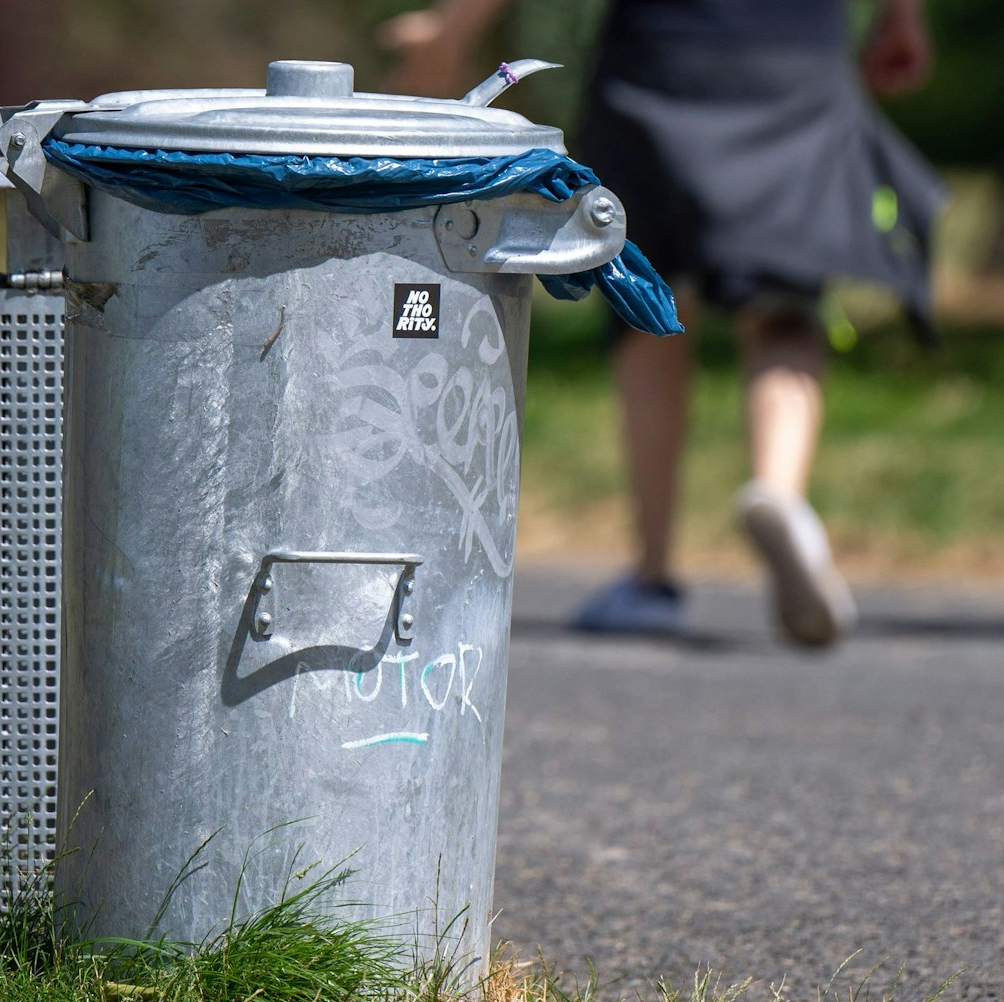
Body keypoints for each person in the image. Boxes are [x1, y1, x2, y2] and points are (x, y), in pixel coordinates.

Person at [382, 0, 941, 647]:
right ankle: (779, 491)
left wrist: (447, 33)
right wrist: (902, 16)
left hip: (664, 54)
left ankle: (653, 578)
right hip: (797, 54)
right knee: (784, 302)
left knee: (646, 290)